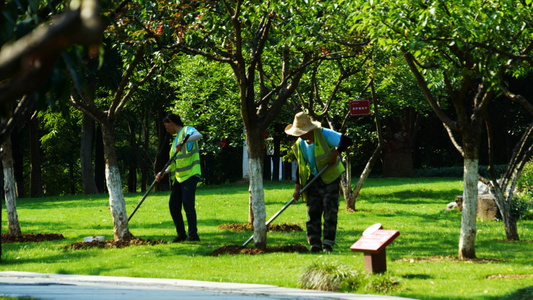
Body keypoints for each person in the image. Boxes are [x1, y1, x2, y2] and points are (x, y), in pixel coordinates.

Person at [285, 112, 352, 253]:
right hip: (313, 179)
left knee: (330, 211)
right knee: (312, 212)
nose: (300, 135)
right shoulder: (299, 144)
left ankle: (328, 244)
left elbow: (347, 140)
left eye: (302, 132)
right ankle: (315, 244)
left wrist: (336, 153)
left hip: (330, 178)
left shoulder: (324, 134)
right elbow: (300, 166)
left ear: (309, 129)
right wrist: (297, 188)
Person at [156, 113, 203, 242]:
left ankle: (193, 235)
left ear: (171, 122)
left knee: (188, 204)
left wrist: (184, 141)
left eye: (166, 127)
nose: (167, 130)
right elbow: (173, 164)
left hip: (191, 174)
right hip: (179, 177)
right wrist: (163, 172)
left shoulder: (187, 130)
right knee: (173, 205)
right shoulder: (174, 142)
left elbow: (199, 135)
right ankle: (181, 234)